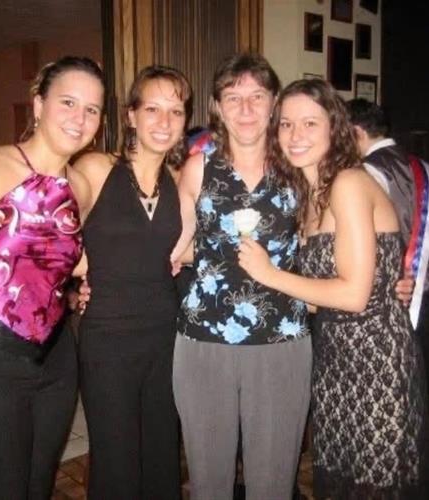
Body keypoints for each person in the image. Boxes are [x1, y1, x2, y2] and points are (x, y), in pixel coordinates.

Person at [238, 78, 427, 498]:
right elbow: (316, 297)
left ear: (334, 128)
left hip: (376, 363)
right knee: (339, 483)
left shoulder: (348, 184)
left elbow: (354, 296)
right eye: (286, 124)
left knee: (373, 486)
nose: (296, 135)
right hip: (335, 362)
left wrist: (269, 274)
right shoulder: (308, 197)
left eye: (310, 123)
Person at [0, 56, 105, 499]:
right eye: (68, 102)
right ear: (38, 105)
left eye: (92, 109)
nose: (79, 117)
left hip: (57, 359)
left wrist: (84, 284)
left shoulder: (81, 187)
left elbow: (62, 256)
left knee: (36, 487)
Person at [171, 52, 311, 500]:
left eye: (257, 96)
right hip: (204, 340)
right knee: (209, 481)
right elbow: (175, 244)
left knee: (272, 482)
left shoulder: (297, 169)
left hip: (281, 340)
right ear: (217, 106)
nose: (246, 108)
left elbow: (324, 243)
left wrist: (388, 279)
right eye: (233, 97)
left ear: (274, 103)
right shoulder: (199, 168)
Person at [73, 65, 192, 500]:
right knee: (115, 458)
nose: (164, 121)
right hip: (108, 338)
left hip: (165, 335)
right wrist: (74, 274)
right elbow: (48, 222)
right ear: (131, 115)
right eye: (152, 109)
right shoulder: (97, 168)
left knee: (161, 451)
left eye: (175, 111)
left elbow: (195, 249)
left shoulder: (178, 181)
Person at [347, 98, 429, 393]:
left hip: (388, 298)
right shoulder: (422, 166)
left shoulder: (363, 174)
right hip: (421, 292)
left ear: (356, 132)